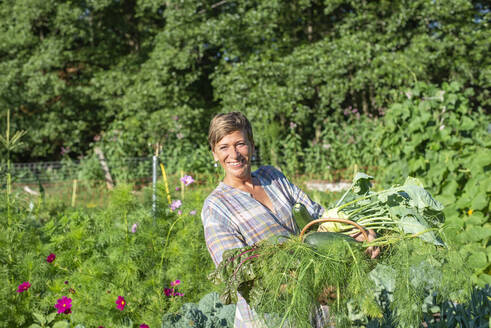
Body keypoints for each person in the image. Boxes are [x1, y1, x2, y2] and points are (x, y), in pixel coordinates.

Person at [201, 112, 377, 328]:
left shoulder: (272, 177)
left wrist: (360, 234)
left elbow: (318, 219)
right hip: (272, 318)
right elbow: (238, 273)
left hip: (320, 313)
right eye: (224, 147)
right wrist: (311, 288)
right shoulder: (216, 207)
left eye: (240, 144)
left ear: (252, 146)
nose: (234, 154)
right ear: (214, 154)